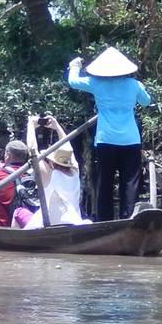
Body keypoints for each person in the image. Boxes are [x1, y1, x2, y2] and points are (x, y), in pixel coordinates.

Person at [66, 46, 151, 221]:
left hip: (106, 140)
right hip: (130, 140)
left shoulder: (96, 84)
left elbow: (73, 82)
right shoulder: (134, 85)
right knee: (130, 182)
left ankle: (105, 220)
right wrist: (139, 88)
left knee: (105, 181)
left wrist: (74, 66)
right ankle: (129, 218)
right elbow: (146, 102)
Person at [15, 113, 88, 228]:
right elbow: (68, 150)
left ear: (52, 162)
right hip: (74, 222)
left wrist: (31, 125)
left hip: (51, 225)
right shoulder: (75, 172)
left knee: (18, 213)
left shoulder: (49, 175)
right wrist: (57, 126)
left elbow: (33, 151)